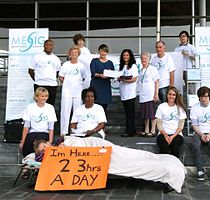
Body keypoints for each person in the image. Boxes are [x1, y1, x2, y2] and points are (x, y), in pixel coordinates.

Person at [24, 136, 185, 193]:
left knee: (128, 155)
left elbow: (76, 143)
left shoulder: (61, 141)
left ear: (48, 143)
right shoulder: (51, 155)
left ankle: (164, 166)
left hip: (94, 145)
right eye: (42, 150)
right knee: (129, 161)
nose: (46, 149)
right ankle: (165, 169)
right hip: (92, 154)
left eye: (45, 146)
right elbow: (38, 159)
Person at [190, 86, 210, 181]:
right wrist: (202, 135)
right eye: (201, 96)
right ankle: (200, 170)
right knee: (195, 144)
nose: (204, 99)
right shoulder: (194, 107)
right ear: (199, 97)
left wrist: (209, 135)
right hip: (199, 132)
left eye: (206, 96)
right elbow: (194, 125)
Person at [19, 87, 57, 158]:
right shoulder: (30, 107)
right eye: (42, 96)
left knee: (41, 144)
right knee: (29, 145)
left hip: (44, 133)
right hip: (32, 132)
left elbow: (51, 127)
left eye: (46, 96)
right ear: (36, 97)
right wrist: (22, 142)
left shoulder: (50, 108)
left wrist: (50, 141)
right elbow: (26, 126)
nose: (44, 98)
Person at [59, 46, 86, 136]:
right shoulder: (66, 64)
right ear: (70, 54)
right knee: (65, 111)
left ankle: (75, 130)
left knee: (77, 111)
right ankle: (64, 131)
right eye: (72, 52)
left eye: (76, 52)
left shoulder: (81, 66)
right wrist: (68, 84)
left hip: (78, 91)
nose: (74, 54)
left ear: (78, 54)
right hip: (67, 91)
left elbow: (83, 77)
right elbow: (61, 77)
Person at [155, 86, 187, 158]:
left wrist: (172, 136)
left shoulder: (180, 108)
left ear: (176, 96)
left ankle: (175, 167)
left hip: (176, 134)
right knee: (163, 146)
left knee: (175, 147)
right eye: (169, 94)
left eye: (173, 95)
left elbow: (181, 126)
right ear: (167, 95)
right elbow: (159, 123)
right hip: (163, 134)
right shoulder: (161, 106)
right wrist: (166, 135)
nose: (171, 96)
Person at [28, 39, 61, 106]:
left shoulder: (56, 58)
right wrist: (38, 79)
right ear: (44, 46)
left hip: (52, 85)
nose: (49, 46)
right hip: (40, 84)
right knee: (39, 105)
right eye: (47, 45)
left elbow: (57, 72)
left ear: (52, 46)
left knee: (50, 105)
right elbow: (30, 71)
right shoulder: (37, 57)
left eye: (50, 45)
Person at [138, 52, 159, 137]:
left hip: (150, 94)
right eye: (142, 58)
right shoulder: (141, 70)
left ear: (149, 59)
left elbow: (157, 81)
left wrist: (156, 93)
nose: (144, 60)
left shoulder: (152, 69)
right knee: (145, 114)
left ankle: (153, 130)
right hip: (142, 95)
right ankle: (146, 130)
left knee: (152, 113)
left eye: (145, 58)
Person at [118, 49, 138, 137]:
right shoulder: (121, 66)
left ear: (130, 56)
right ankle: (131, 130)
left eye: (127, 55)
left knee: (131, 113)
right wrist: (120, 78)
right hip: (123, 93)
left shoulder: (133, 66)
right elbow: (119, 76)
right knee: (127, 113)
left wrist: (125, 80)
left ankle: (129, 131)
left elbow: (135, 78)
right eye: (124, 55)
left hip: (130, 93)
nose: (125, 57)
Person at [90, 44, 115, 113]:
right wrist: (100, 75)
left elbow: (113, 75)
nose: (103, 53)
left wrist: (109, 75)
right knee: (94, 105)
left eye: (104, 51)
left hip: (105, 87)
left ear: (107, 52)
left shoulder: (110, 63)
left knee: (104, 107)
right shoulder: (94, 61)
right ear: (99, 52)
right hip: (96, 86)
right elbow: (93, 73)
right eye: (101, 51)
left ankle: (102, 122)